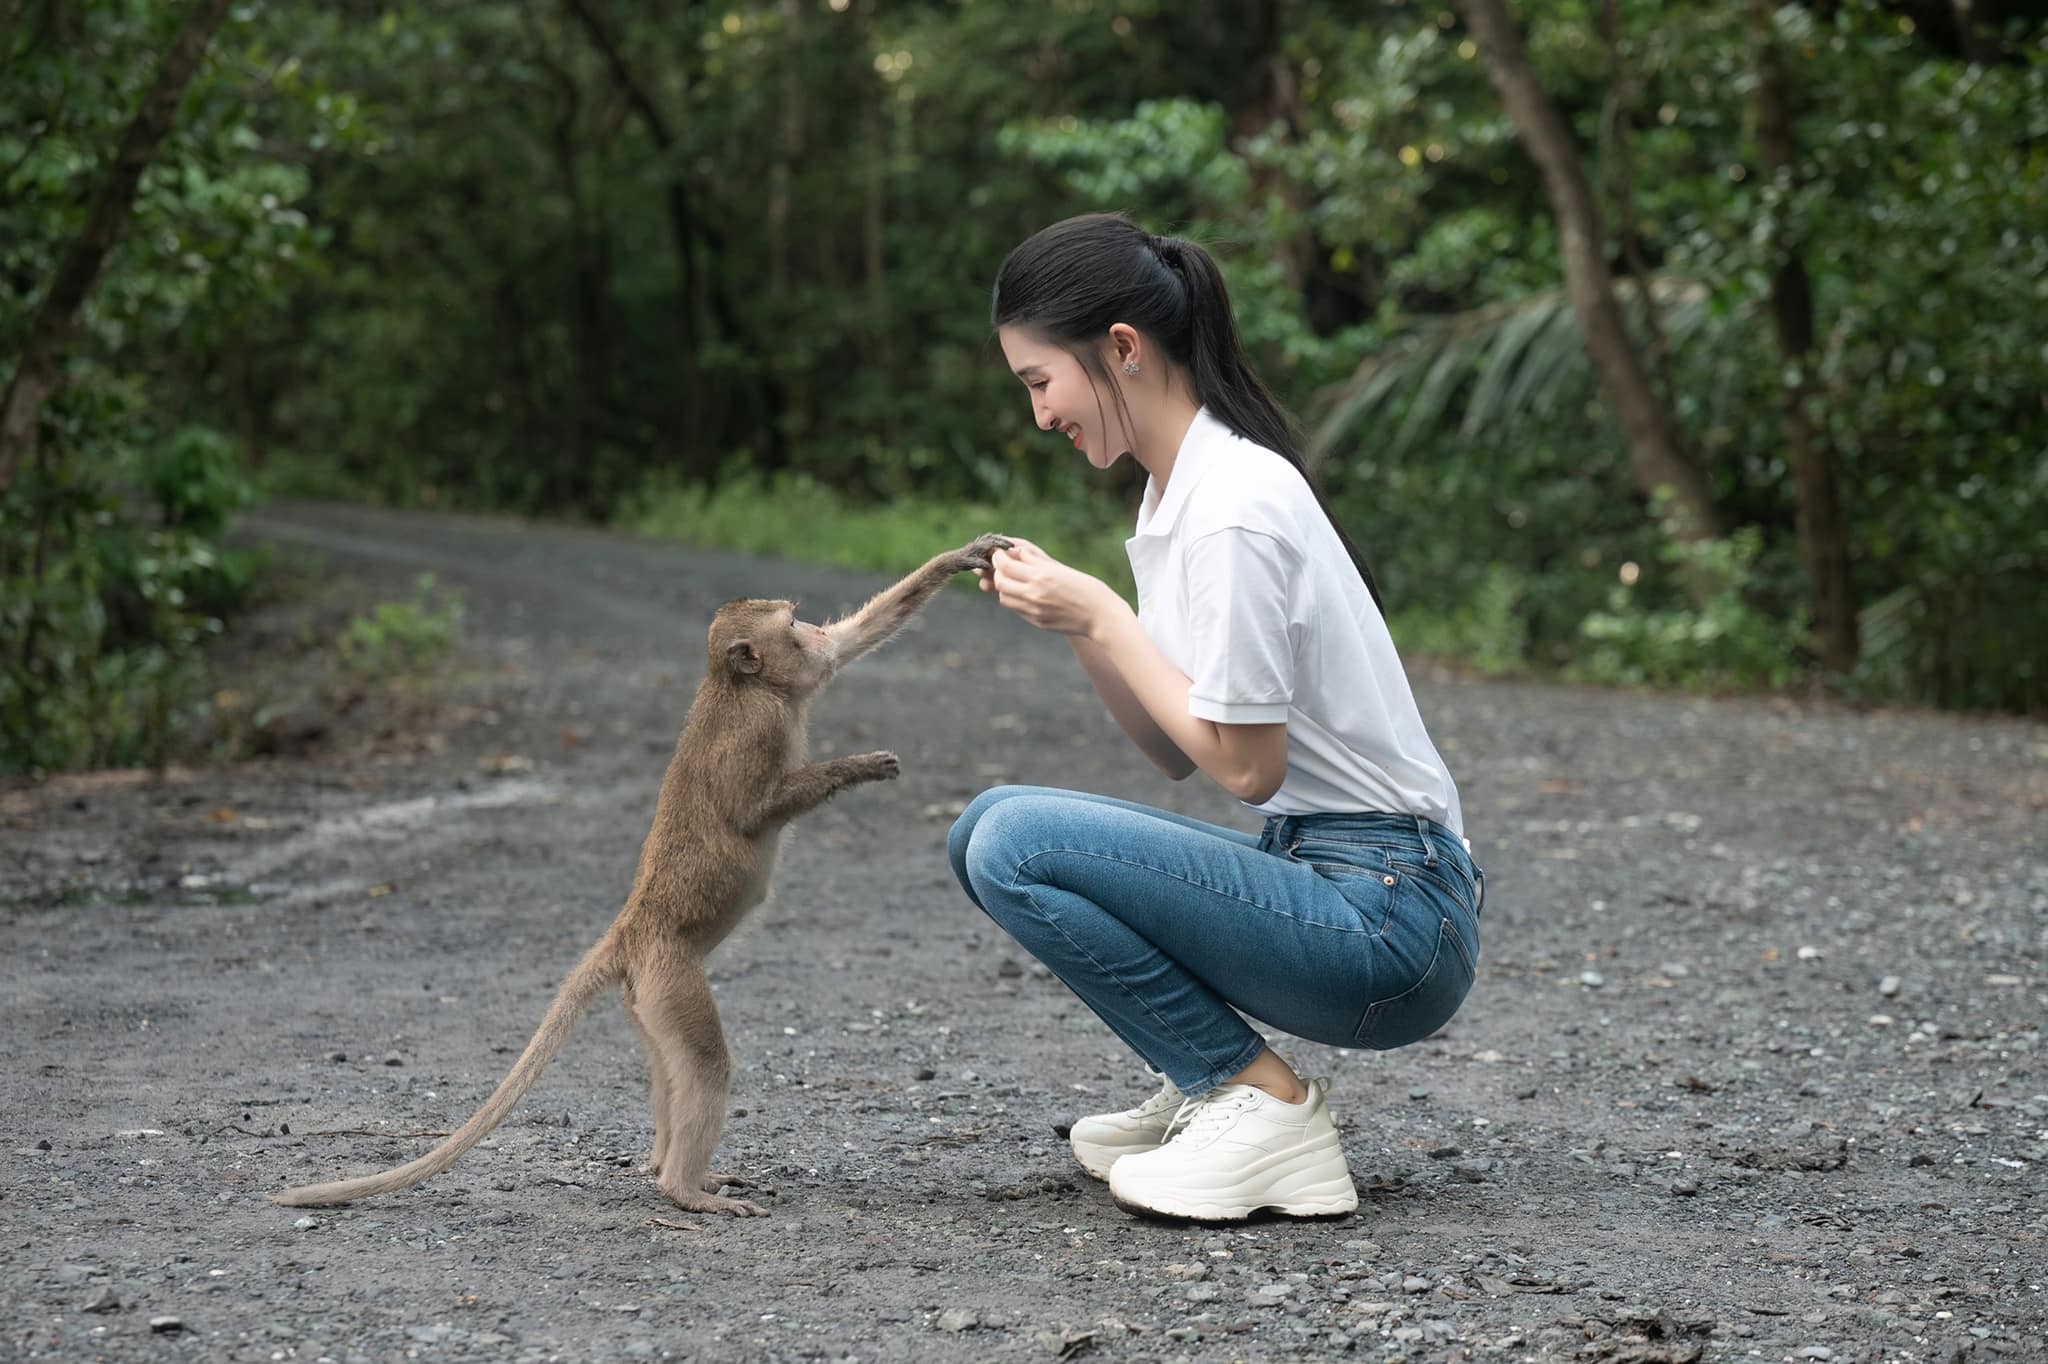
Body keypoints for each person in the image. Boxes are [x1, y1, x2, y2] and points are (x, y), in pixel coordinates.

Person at [948, 212, 1484, 1223]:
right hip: (1332, 876)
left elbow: (1244, 768)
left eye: (1037, 381)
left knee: (1014, 837)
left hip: (1392, 915)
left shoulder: (1232, 502)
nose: (1039, 414)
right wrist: (1082, 624)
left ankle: (1261, 1105)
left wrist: (1102, 609)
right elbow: (1170, 752)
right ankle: (1212, 1080)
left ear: (1120, 348)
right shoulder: (1174, 498)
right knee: (984, 826)